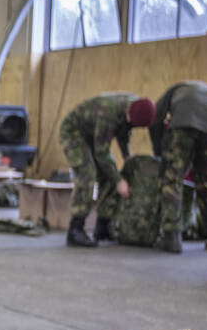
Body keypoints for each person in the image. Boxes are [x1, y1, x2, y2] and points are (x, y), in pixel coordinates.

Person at [58, 93, 156, 247]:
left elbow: (124, 131)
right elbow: (101, 153)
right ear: (128, 112)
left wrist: (127, 157)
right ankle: (75, 229)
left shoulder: (134, 109)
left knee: (108, 175)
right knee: (87, 174)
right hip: (73, 132)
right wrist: (119, 181)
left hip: (93, 133)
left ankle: (102, 226)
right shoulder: (108, 114)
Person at [150, 80, 207, 253]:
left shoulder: (174, 90)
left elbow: (155, 119)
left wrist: (158, 150)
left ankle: (171, 237)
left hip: (185, 122)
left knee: (172, 179)